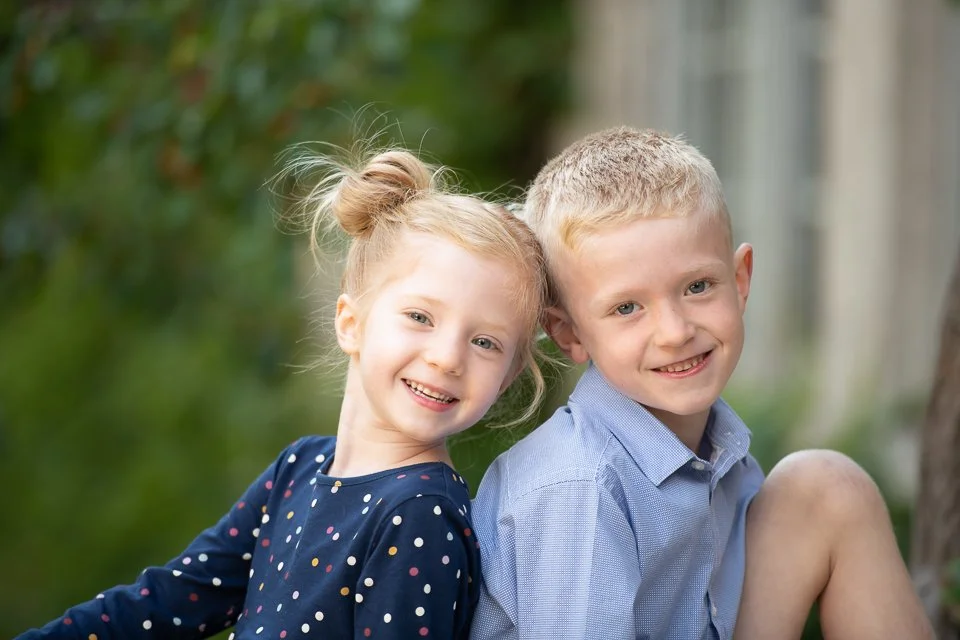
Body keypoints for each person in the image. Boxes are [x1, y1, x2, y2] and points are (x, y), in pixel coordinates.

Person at [17, 146, 549, 640]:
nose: (446, 357)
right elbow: (170, 601)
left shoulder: (418, 514)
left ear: (506, 376)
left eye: (484, 341)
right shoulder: (298, 470)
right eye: (419, 317)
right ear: (351, 322)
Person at [469, 126, 933, 640]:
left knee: (827, 488)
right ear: (569, 333)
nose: (675, 332)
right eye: (628, 308)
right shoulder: (579, 488)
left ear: (739, 282)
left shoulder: (709, 443)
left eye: (697, 287)